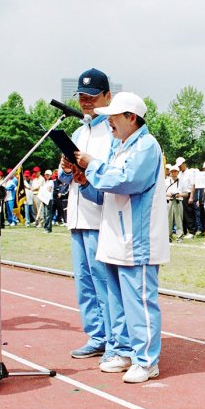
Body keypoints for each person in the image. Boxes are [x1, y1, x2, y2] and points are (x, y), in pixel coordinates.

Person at [74, 92, 169, 383]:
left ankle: (147, 360)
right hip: (115, 237)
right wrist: (85, 182)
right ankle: (125, 350)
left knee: (139, 301)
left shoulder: (146, 146)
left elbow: (127, 181)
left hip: (137, 239)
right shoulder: (120, 147)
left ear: (131, 117)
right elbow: (105, 193)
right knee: (117, 302)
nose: (109, 121)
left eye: (113, 116)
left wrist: (91, 166)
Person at [59, 68, 114, 359]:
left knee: (103, 281)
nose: (86, 102)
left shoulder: (114, 132)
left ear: (108, 96)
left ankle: (114, 338)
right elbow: (62, 179)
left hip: (101, 215)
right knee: (83, 281)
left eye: (92, 96)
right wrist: (66, 170)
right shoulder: (79, 131)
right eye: (82, 96)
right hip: (77, 216)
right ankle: (96, 335)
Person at [165, 164, 184, 241]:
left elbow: (186, 193)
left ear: (178, 172)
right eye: (172, 171)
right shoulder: (166, 181)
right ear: (170, 172)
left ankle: (179, 236)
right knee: (168, 219)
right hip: (168, 200)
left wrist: (179, 194)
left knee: (179, 219)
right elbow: (161, 191)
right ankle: (168, 236)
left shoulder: (181, 181)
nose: (173, 173)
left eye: (175, 171)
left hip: (178, 201)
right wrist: (168, 194)